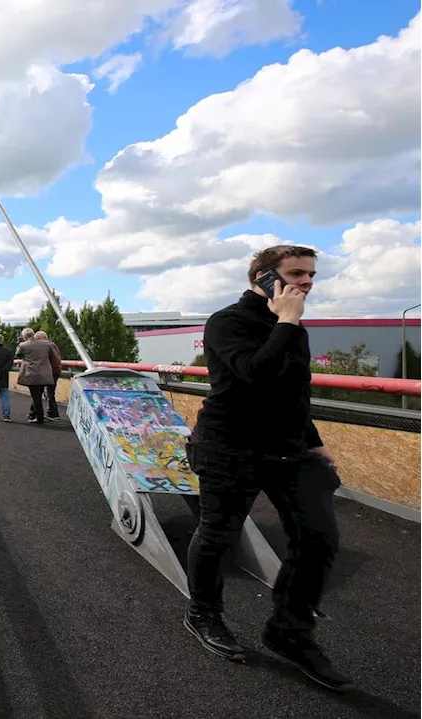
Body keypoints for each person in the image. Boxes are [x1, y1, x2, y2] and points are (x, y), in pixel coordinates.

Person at [183, 244, 351, 692]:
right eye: (296, 274)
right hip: (228, 448)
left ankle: (289, 632)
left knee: (318, 538)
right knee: (219, 533)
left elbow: (293, 392)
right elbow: (254, 375)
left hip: (288, 451)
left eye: (311, 275)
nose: (306, 283)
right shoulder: (228, 322)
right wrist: (287, 322)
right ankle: (203, 613)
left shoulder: (293, 326)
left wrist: (315, 444)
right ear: (262, 276)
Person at [15, 329, 55, 424]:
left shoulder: (23, 346)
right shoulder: (46, 344)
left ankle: (39, 417)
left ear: (24, 337)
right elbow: (52, 356)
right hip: (45, 373)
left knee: (35, 396)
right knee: (38, 394)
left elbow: (18, 355)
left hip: (31, 374)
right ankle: (34, 413)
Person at [34, 331, 63, 420]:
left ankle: (51, 413)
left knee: (48, 393)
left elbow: (52, 360)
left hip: (50, 372)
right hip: (55, 371)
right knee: (50, 393)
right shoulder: (52, 345)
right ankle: (53, 413)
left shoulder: (47, 346)